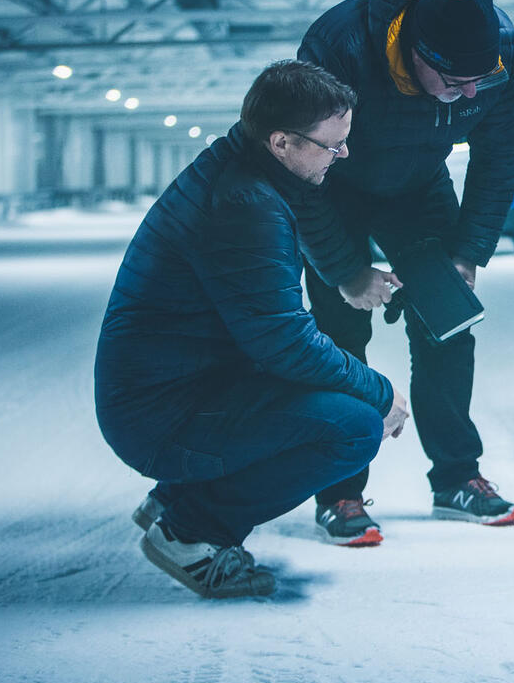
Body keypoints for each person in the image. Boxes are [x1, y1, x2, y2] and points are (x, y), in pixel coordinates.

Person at [94, 60, 409, 598]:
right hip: (159, 416)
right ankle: (192, 531)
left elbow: (273, 333)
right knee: (355, 427)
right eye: (332, 145)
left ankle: (176, 499)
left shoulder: (243, 173)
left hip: (170, 392)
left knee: (329, 395)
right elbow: (284, 341)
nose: (344, 154)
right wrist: (381, 392)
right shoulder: (245, 204)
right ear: (282, 142)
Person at [293, 0, 514, 543]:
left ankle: (456, 478)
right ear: (416, 54)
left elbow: (500, 154)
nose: (471, 92)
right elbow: (298, 172)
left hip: (418, 185)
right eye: (455, 84)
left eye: (481, 79)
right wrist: (345, 270)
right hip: (332, 187)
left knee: (449, 323)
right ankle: (341, 494)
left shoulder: (497, 51)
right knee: (341, 337)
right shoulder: (337, 48)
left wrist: (469, 250)